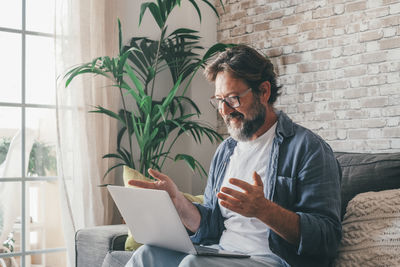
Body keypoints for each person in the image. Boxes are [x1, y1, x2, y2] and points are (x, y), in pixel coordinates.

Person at [125, 45, 342, 267]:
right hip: (222, 253)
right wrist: (179, 204)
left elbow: (327, 239)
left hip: (271, 260)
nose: (224, 110)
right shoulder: (226, 151)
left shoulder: (308, 149)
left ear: (264, 92)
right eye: (219, 100)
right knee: (146, 254)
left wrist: (264, 210)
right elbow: (211, 226)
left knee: (193, 264)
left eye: (233, 98)